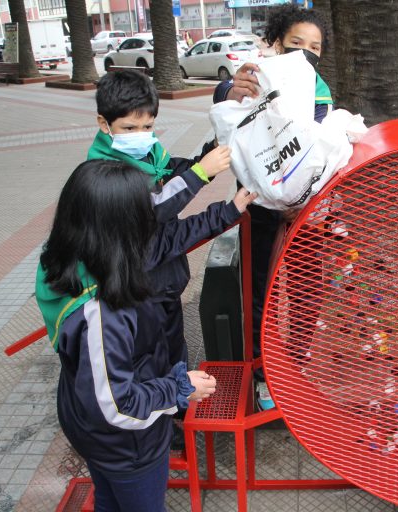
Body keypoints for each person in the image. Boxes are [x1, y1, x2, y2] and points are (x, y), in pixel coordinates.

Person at [36, 159, 256, 512]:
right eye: (144, 216)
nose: (153, 223)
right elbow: (116, 405)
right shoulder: (102, 314)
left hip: (95, 430)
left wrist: (227, 211)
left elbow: (168, 241)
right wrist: (179, 388)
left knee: (110, 502)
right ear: (122, 228)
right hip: (127, 444)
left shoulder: (80, 259)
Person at [88, 69, 232, 448]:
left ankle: (181, 403)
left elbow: (173, 171)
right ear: (104, 124)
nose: (141, 135)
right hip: (136, 290)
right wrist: (200, 175)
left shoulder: (150, 152)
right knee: (148, 360)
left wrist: (208, 154)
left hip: (165, 282)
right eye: (129, 127)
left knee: (173, 347)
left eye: (148, 126)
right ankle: (161, 432)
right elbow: (153, 209)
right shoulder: (104, 173)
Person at [213, 4, 333, 410]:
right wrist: (229, 91)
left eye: (315, 47)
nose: (306, 53)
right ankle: (262, 373)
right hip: (259, 208)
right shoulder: (256, 77)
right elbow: (226, 103)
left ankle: (295, 366)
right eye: (297, 43)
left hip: (308, 212)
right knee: (260, 291)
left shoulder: (320, 90)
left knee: (307, 289)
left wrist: (303, 200)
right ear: (277, 44)